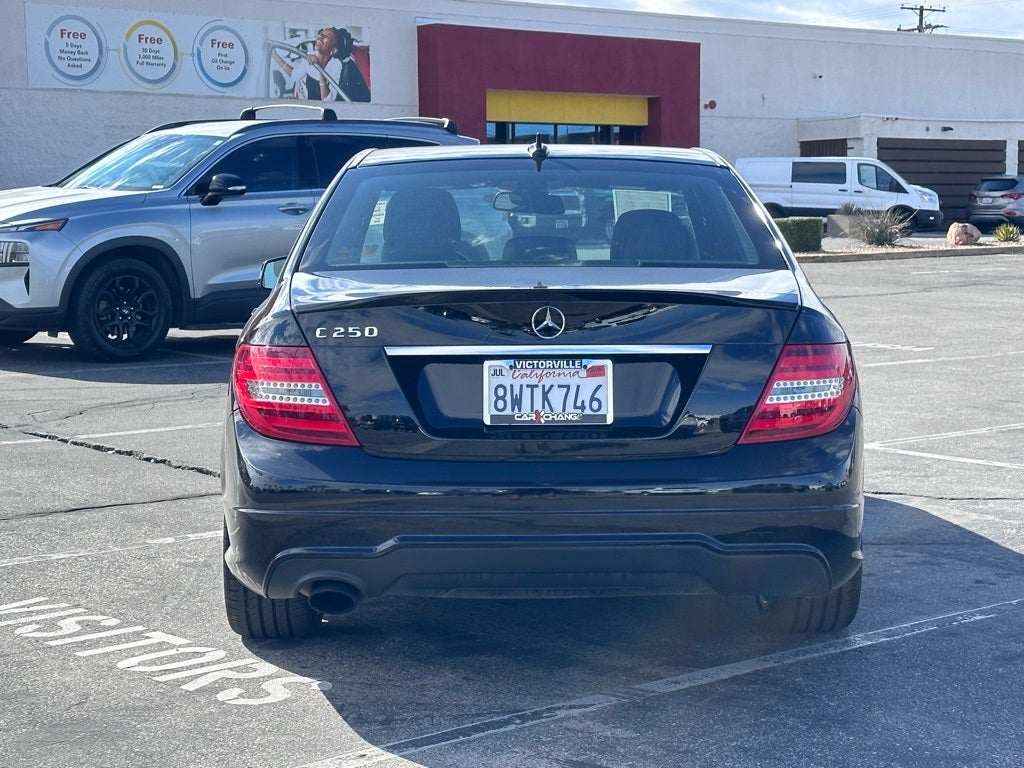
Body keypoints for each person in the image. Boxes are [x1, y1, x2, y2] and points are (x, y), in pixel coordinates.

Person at [272, 27, 370, 103]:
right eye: (320, 33)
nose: (320, 36)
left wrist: (320, 69)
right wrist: (274, 55)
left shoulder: (337, 66)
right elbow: (294, 75)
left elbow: (327, 100)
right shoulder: (310, 55)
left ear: (333, 50)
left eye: (326, 37)